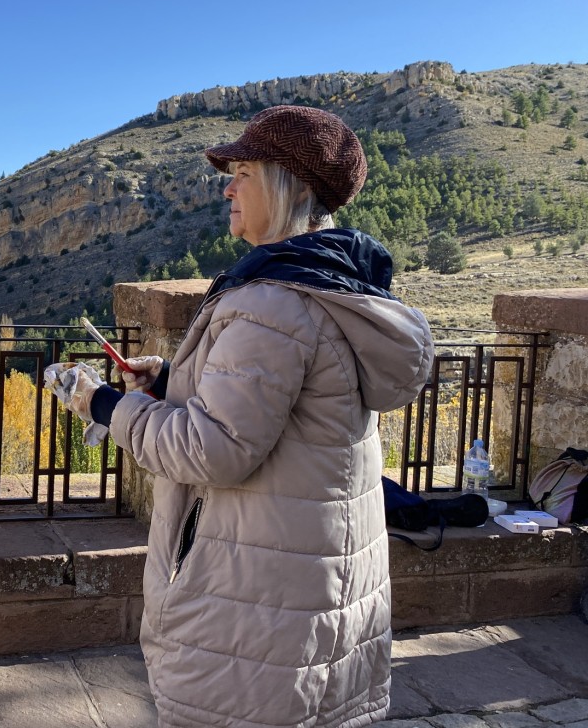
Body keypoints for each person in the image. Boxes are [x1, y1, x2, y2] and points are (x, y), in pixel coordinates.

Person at [58, 105, 434, 728]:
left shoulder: (272, 304)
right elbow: (284, 411)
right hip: (312, 587)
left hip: (255, 607)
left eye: (245, 172)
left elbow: (214, 451)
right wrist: (174, 381)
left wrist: (104, 404)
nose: (228, 187)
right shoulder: (333, 287)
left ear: (292, 186)